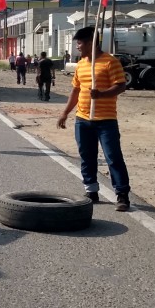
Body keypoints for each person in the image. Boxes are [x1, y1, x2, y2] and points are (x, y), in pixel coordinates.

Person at [57, 26, 131, 211]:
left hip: (106, 120)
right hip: (83, 119)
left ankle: (121, 194)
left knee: (113, 157)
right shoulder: (81, 64)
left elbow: (120, 86)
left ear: (91, 42)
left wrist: (102, 95)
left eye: (80, 43)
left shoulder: (110, 62)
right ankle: (91, 190)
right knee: (86, 156)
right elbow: (76, 90)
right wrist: (65, 113)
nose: (78, 47)